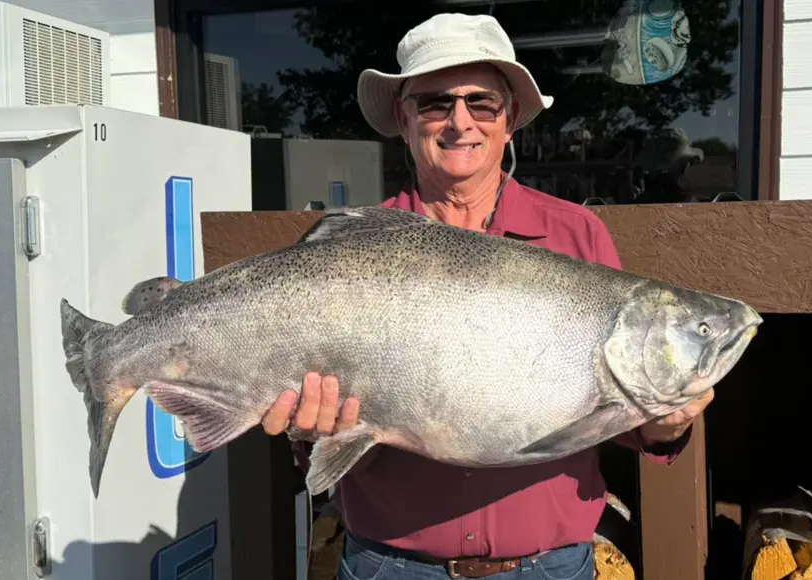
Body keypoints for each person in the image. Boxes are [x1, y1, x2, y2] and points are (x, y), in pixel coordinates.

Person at [261, 12, 714, 580]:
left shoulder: (577, 235)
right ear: (404, 119)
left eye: (481, 103)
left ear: (511, 119)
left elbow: (611, 407)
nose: (459, 122)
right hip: (391, 566)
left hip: (550, 567)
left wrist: (663, 425)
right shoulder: (356, 246)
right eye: (434, 103)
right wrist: (311, 430)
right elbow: (318, 425)